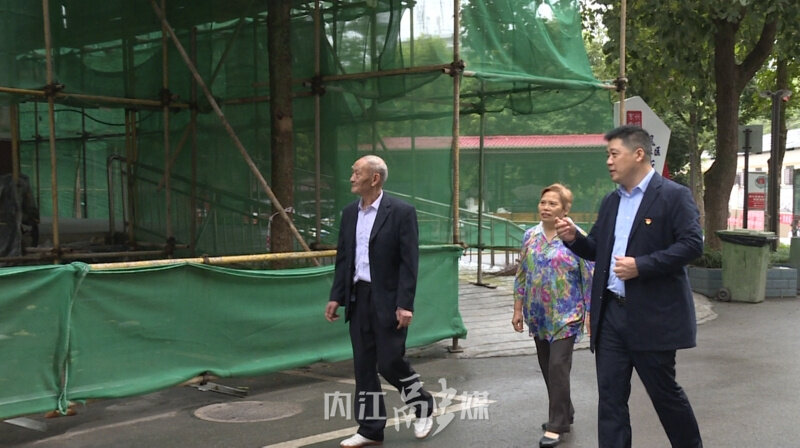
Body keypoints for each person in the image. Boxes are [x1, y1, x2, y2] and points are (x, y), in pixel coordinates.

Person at [555, 125, 703, 448]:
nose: (608, 161)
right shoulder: (611, 201)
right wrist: (574, 239)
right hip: (612, 316)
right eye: (607, 155)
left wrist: (642, 266)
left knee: (665, 396)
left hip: (653, 318)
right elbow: (597, 249)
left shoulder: (673, 196)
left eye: (614, 154)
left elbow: (693, 244)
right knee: (610, 400)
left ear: (638, 154)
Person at [325, 155, 435, 448]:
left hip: (388, 298)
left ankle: (422, 406)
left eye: (356, 172)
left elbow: (409, 262)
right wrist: (337, 296)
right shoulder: (350, 213)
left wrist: (405, 304)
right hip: (358, 296)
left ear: (374, 178)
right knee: (363, 365)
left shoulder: (400, 212)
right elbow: (344, 258)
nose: (351, 178)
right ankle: (371, 428)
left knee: (389, 362)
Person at [512, 183, 593, 448]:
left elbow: (589, 276)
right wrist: (517, 309)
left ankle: (556, 425)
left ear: (565, 209)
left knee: (558, 365)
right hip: (538, 315)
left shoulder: (576, 237)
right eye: (543, 202)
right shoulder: (530, 236)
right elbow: (522, 274)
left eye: (553, 204)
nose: (545, 207)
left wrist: (590, 313)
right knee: (548, 366)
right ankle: (565, 411)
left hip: (567, 314)